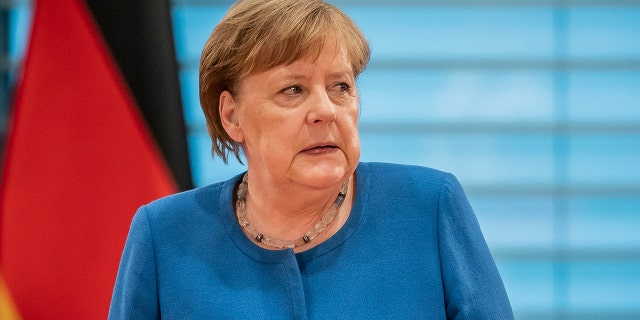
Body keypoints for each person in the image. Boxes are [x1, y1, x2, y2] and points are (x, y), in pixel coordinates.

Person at [108, 0, 514, 319]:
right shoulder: (163, 235)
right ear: (231, 115)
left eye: (341, 86)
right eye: (292, 90)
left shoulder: (428, 206)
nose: (326, 110)